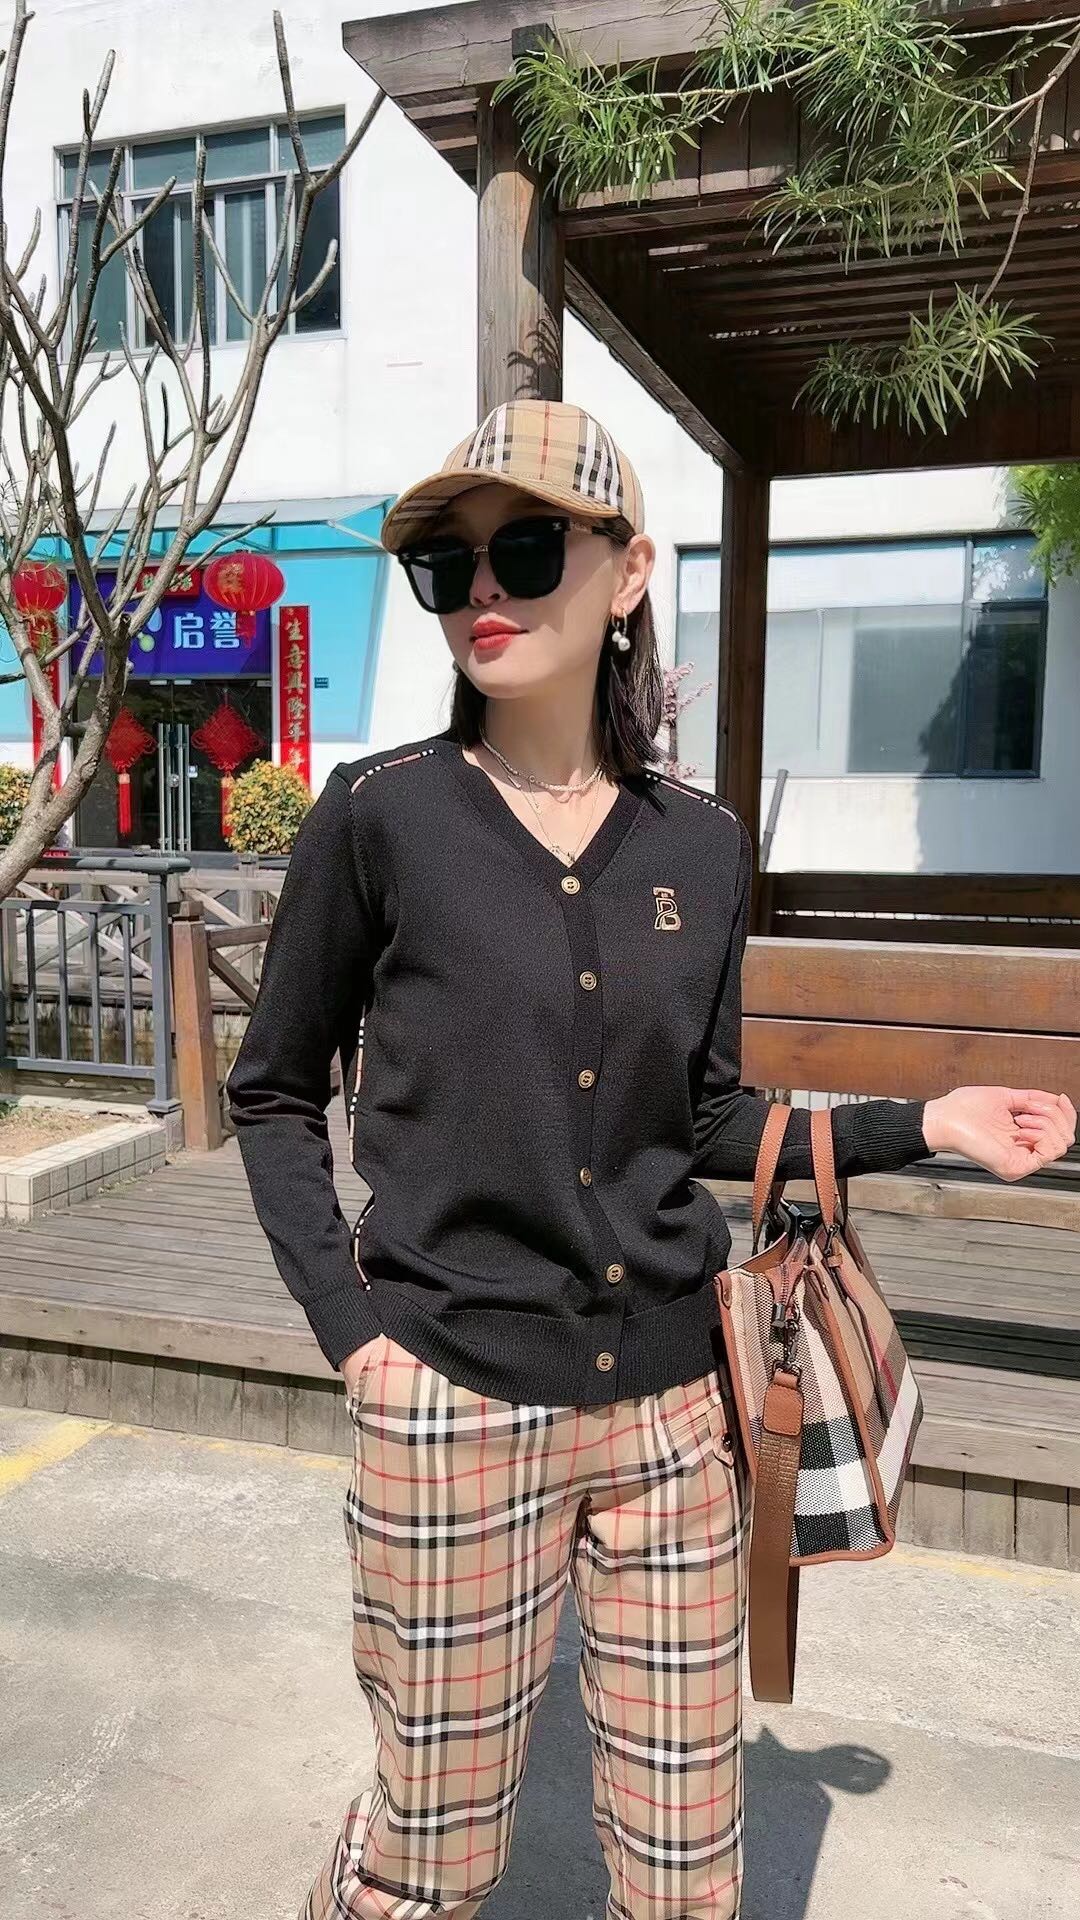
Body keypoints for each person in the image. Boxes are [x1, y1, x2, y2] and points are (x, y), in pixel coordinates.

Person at [226, 398, 1076, 1920]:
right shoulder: (379, 817)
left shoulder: (699, 842)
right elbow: (275, 1092)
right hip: (449, 1406)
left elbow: (699, 1118)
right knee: (431, 1866)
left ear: (627, 573)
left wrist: (929, 1123)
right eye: (447, 563)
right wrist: (357, 1340)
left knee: (689, 1876)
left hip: (677, 1422)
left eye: (527, 549)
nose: (482, 591)